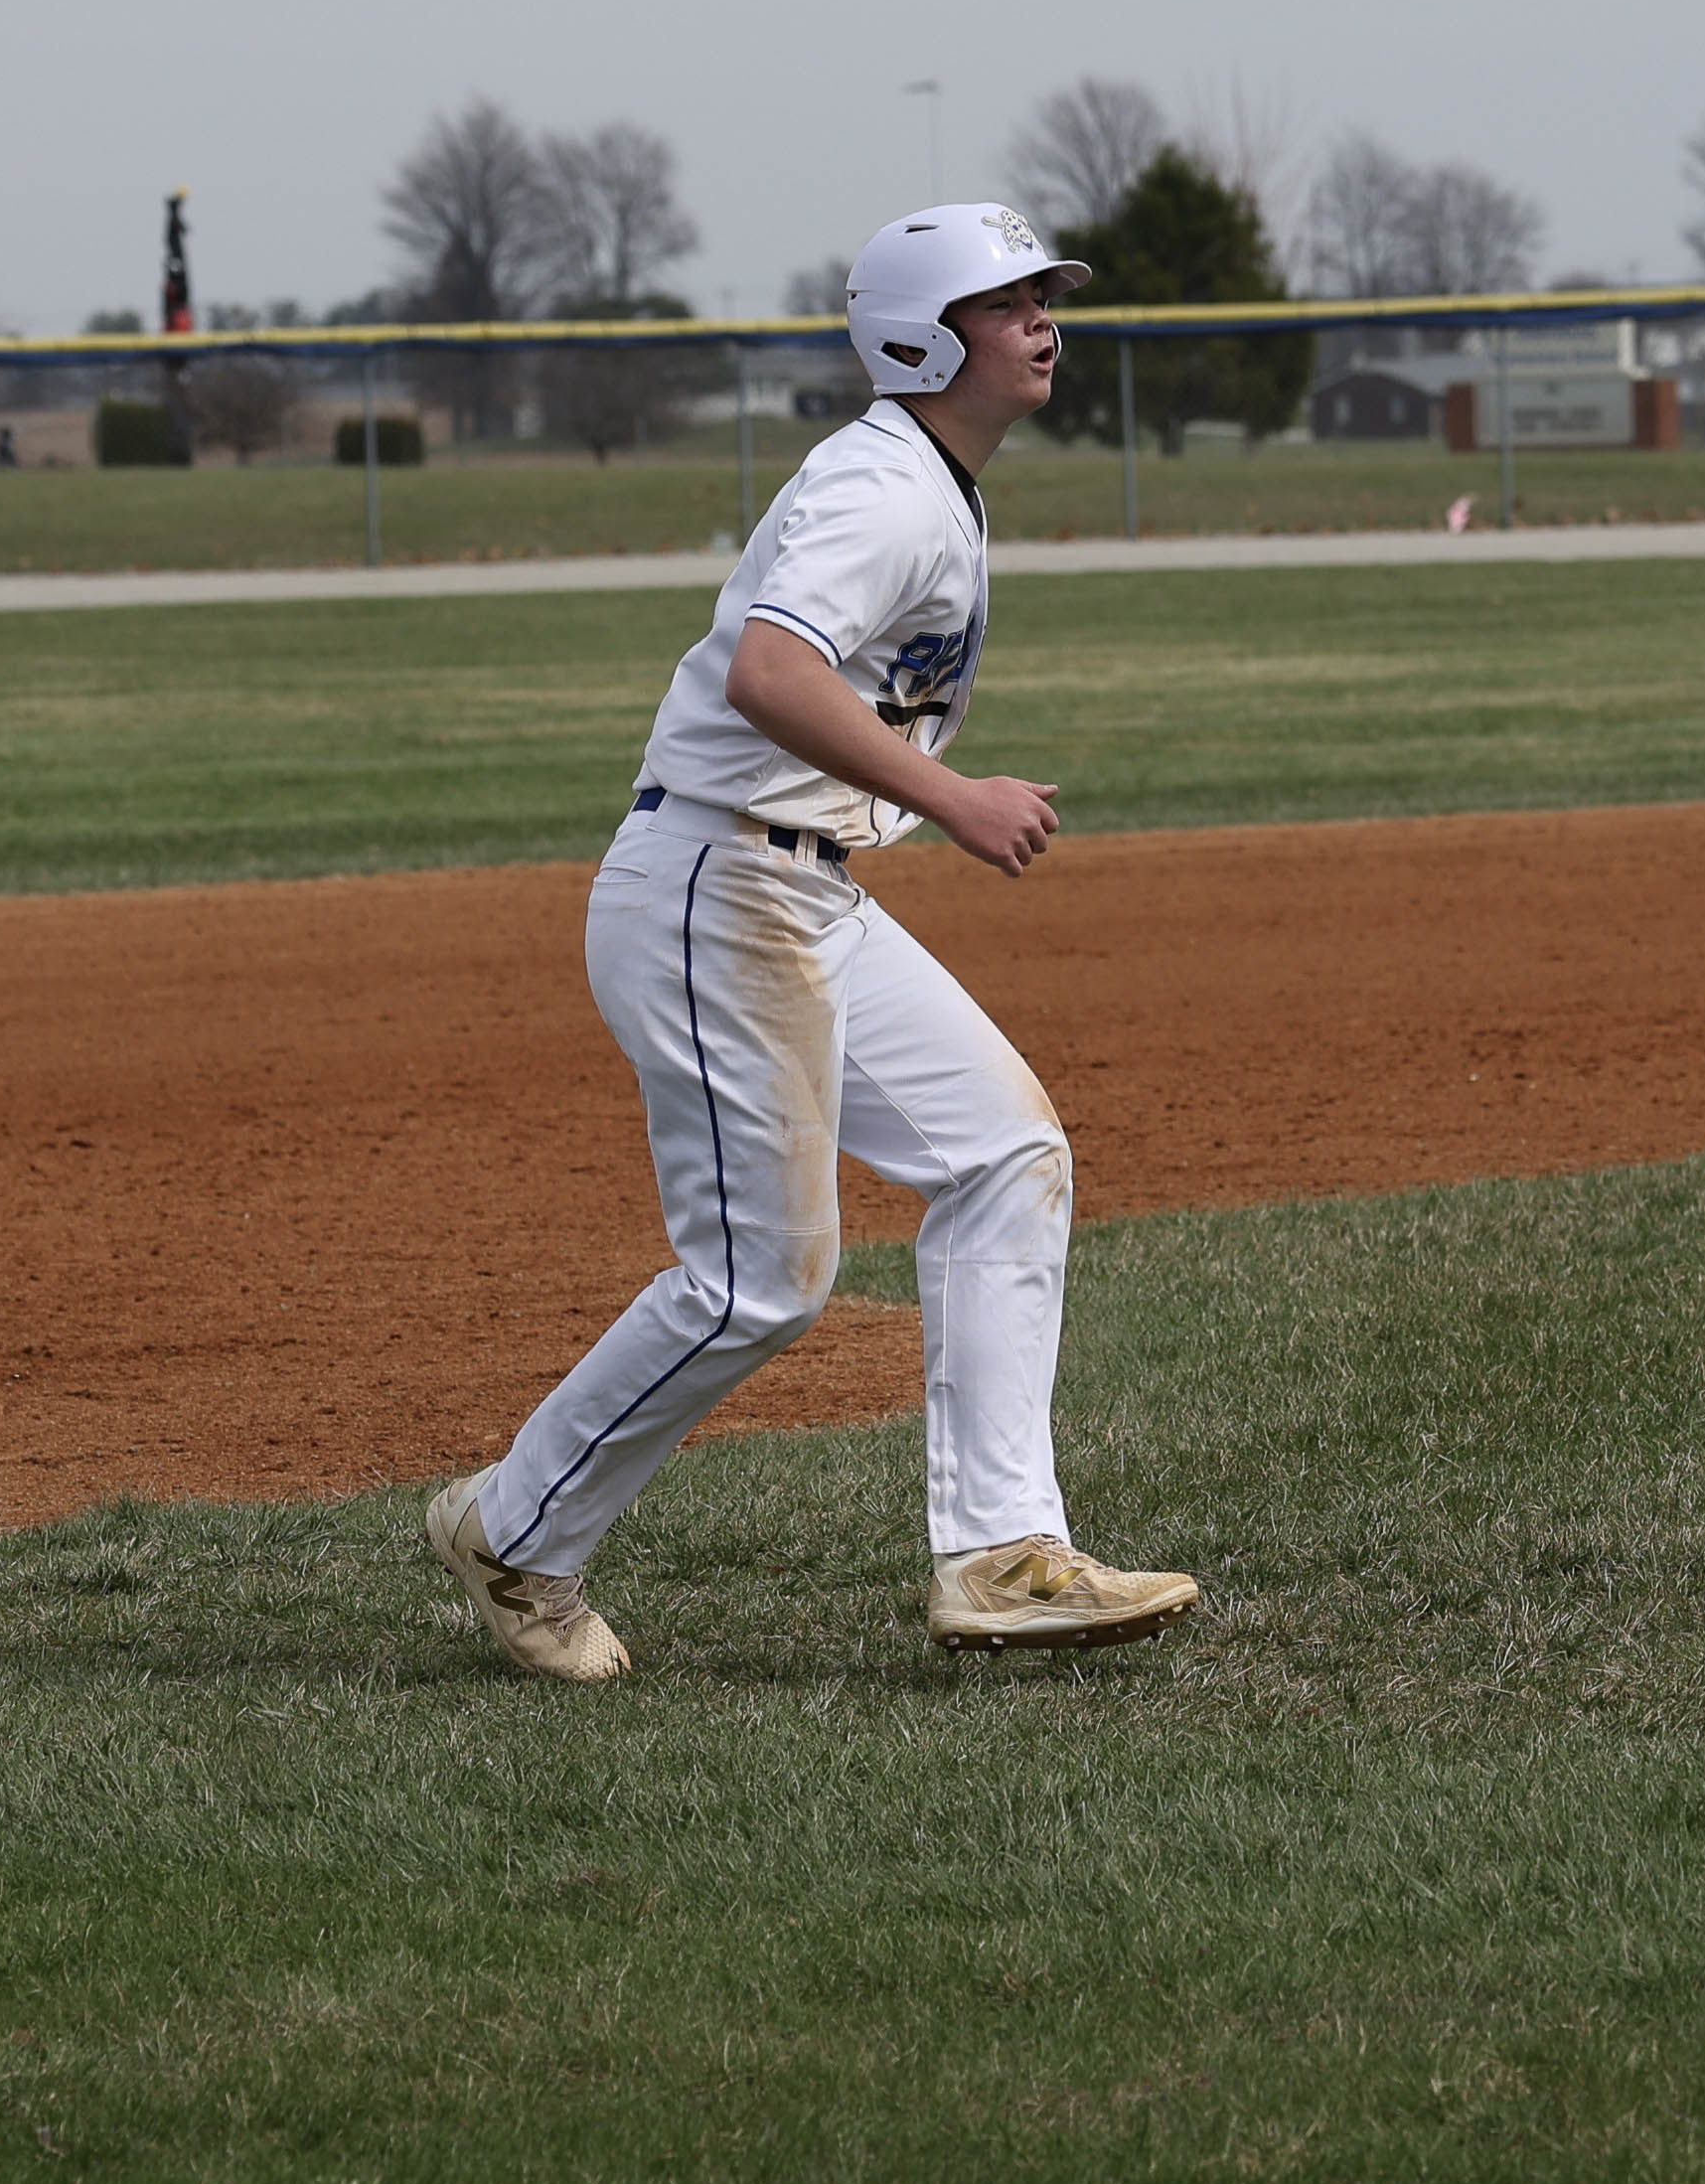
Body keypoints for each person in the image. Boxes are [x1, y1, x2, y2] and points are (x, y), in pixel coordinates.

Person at [426, 204, 1203, 1680]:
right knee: (757, 1282)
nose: (1042, 320)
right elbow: (772, 673)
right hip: (720, 887)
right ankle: (514, 1531)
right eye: (1006, 301)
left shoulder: (927, 481)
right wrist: (953, 797)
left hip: (799, 888)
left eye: (1044, 295)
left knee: (1005, 1152)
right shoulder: (883, 488)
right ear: (922, 339)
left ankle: (1004, 1553)